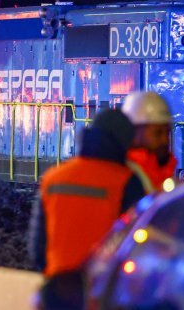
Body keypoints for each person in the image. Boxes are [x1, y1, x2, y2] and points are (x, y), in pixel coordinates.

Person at [28, 109, 145, 310]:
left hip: (57, 293)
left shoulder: (53, 177)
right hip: (102, 295)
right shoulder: (126, 182)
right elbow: (137, 246)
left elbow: (37, 248)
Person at [122, 91, 178, 193]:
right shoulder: (124, 177)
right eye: (158, 133)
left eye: (167, 133)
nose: (165, 140)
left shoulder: (164, 173)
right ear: (134, 133)